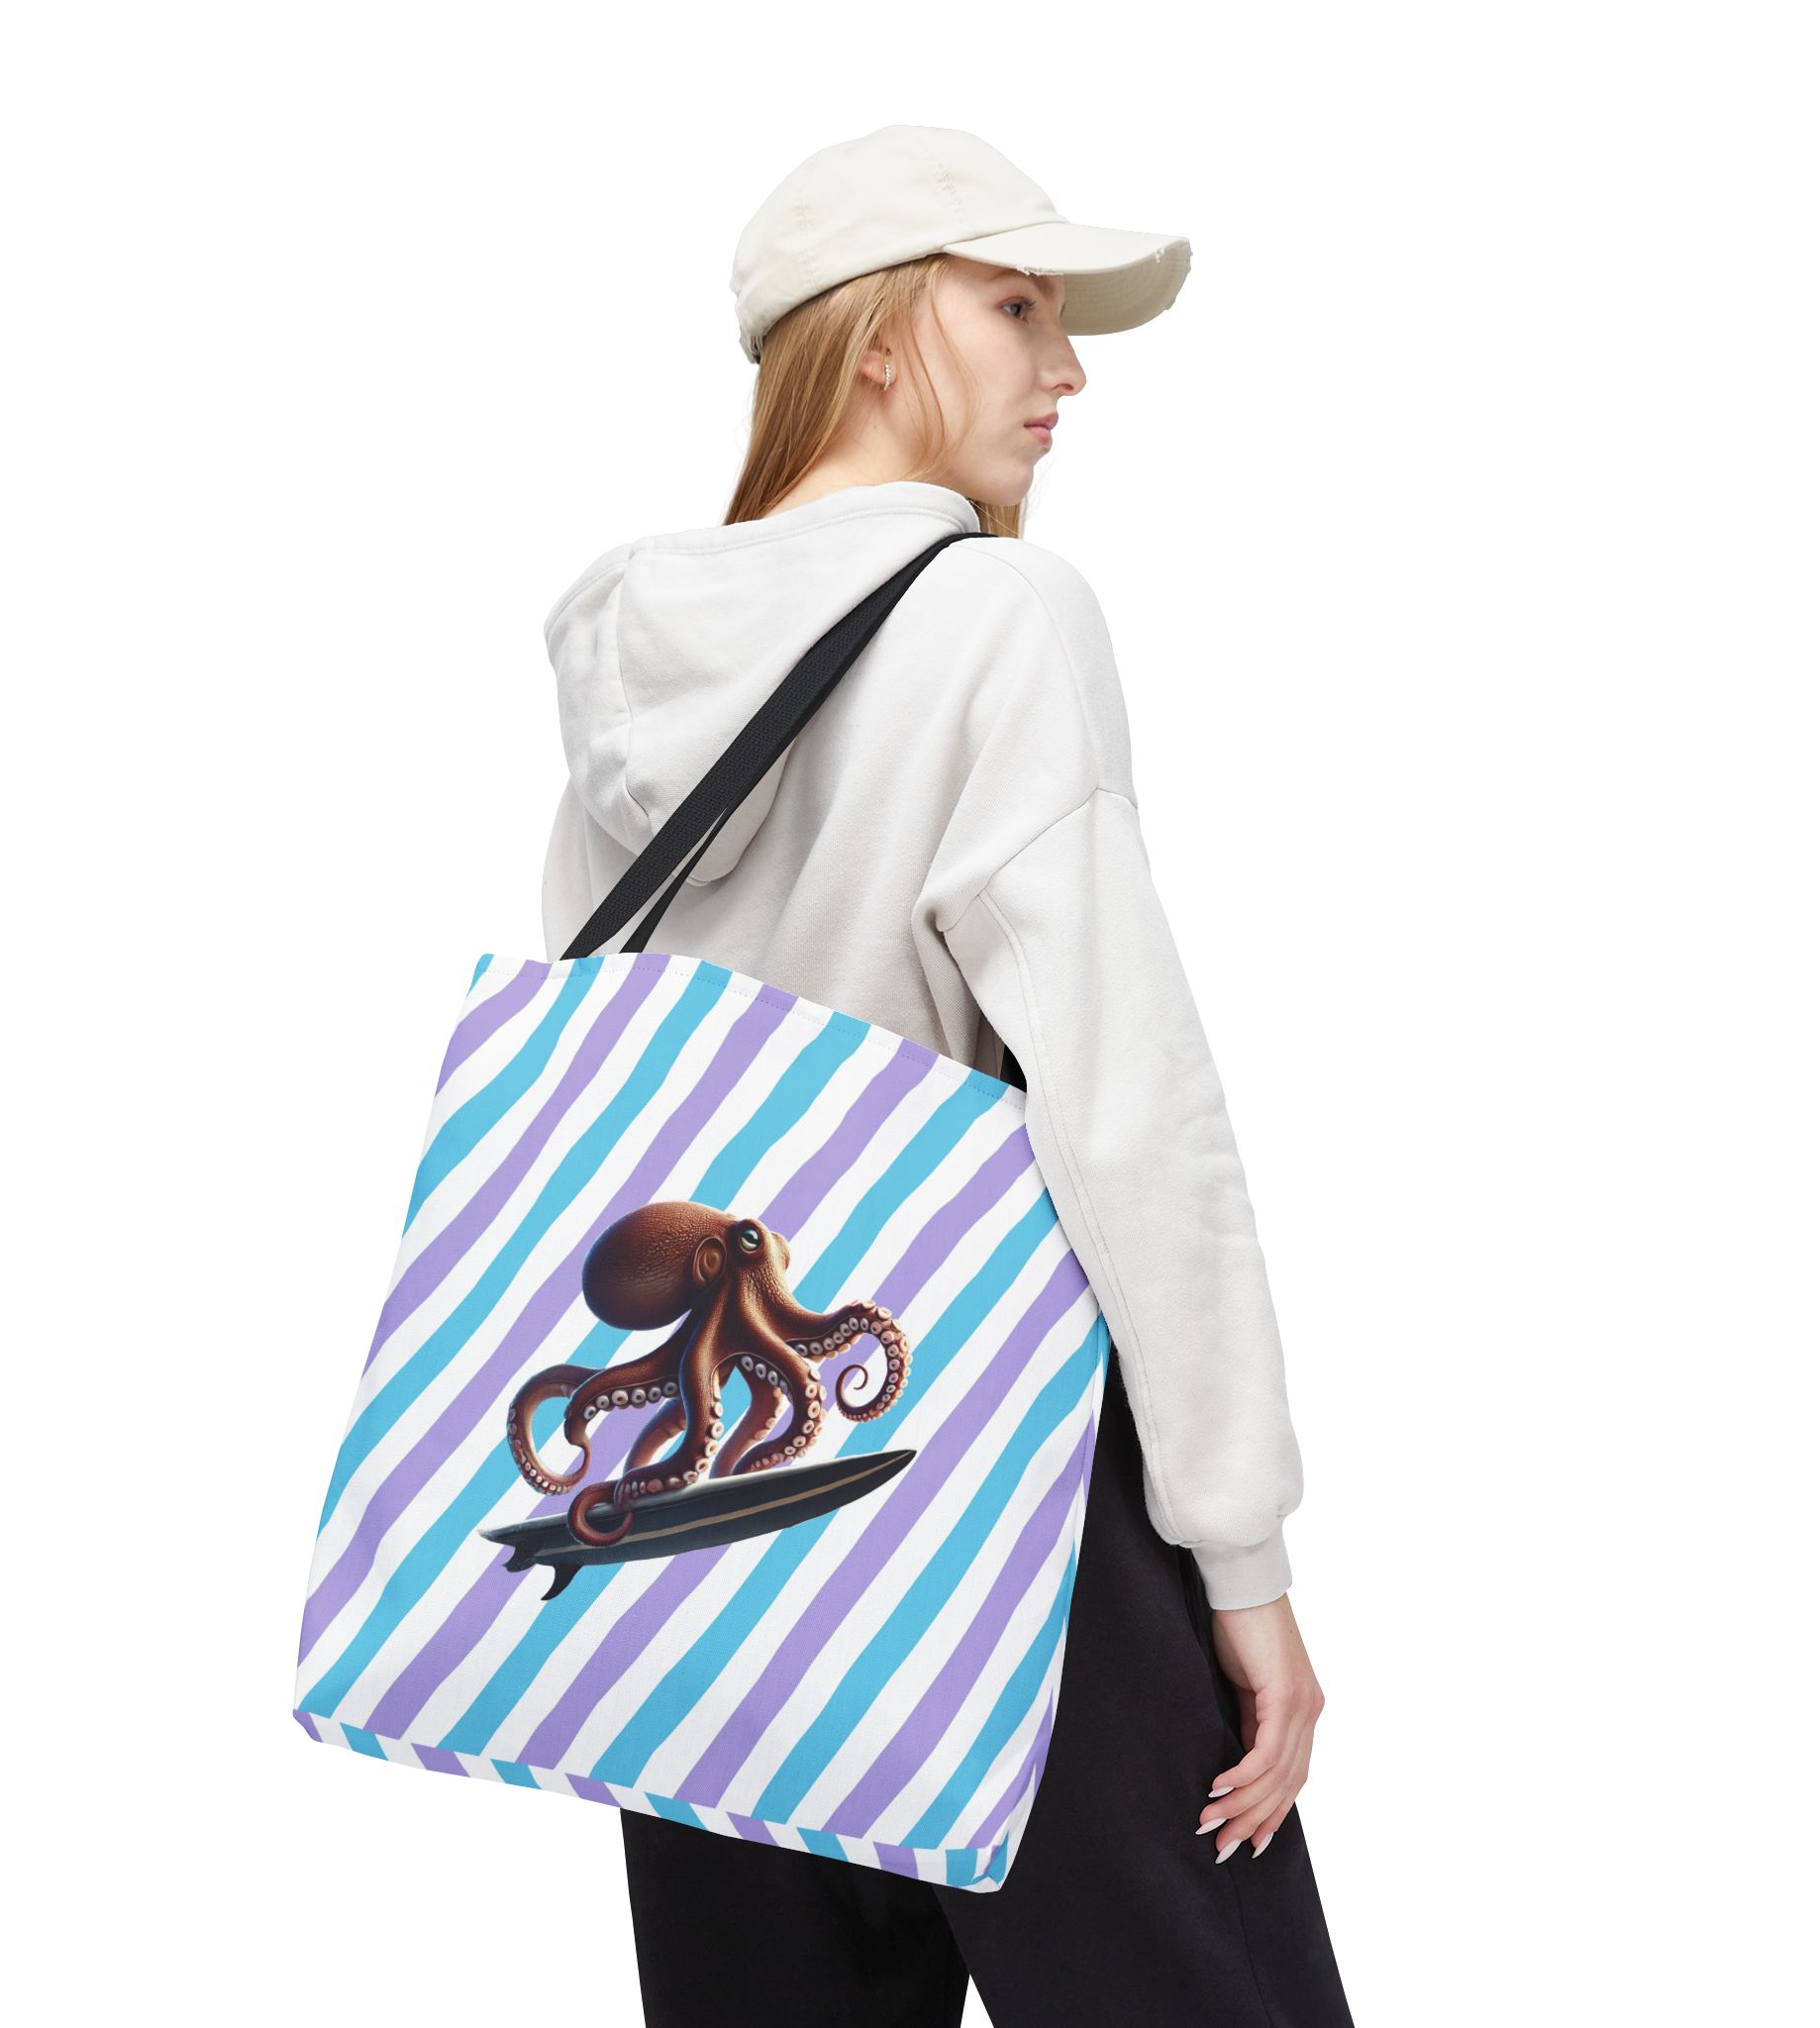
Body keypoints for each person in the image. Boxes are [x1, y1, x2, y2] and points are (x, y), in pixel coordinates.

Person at [539, 125, 1356, 2027]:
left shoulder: (625, 669)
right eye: (1017, 309)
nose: (1066, 371)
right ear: (882, 333)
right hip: (998, 1462)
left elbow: (610, 1083)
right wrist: (1238, 1553)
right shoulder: (998, 613)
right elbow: (1128, 1114)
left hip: (701, 1512)